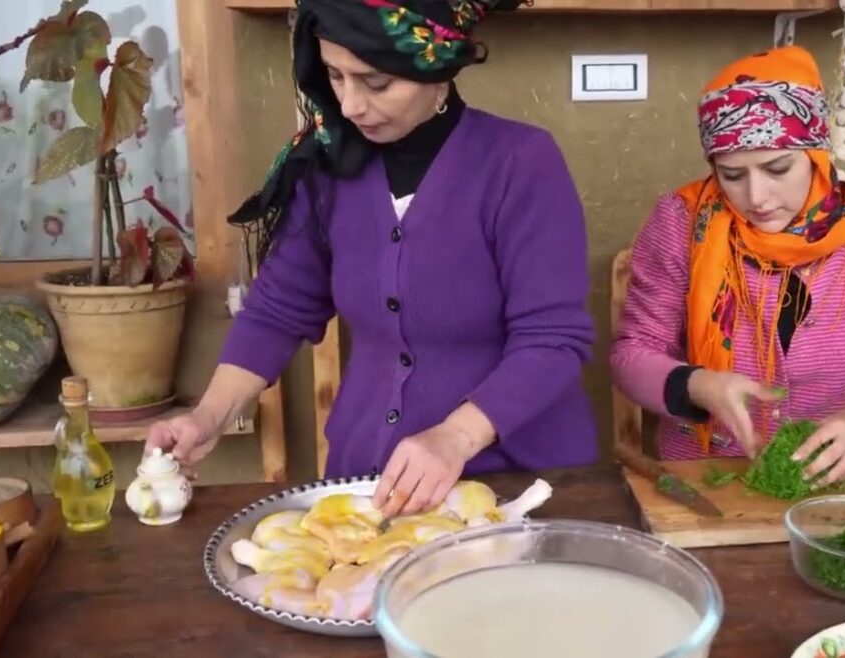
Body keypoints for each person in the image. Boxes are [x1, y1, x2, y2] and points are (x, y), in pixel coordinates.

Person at [145, 0, 598, 517]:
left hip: (514, 480)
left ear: (436, 67)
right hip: (370, 481)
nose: (351, 104)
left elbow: (553, 340)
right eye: (335, 76)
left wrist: (455, 436)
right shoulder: (327, 171)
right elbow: (278, 309)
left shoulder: (520, 164)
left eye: (375, 82)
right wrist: (208, 416)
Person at [609, 45, 845, 487]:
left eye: (777, 168)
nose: (757, 197)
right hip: (704, 476)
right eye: (732, 175)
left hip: (833, 481)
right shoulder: (681, 222)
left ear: (817, 155)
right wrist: (698, 385)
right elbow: (630, 356)